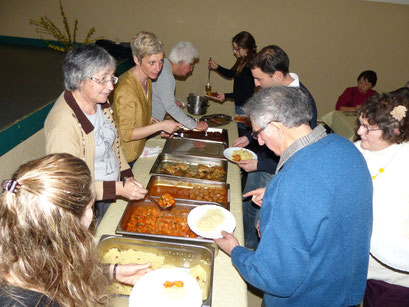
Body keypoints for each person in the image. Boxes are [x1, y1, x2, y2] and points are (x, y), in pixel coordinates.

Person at [215, 86, 373, 306]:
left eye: (258, 133)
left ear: (277, 127)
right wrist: (273, 198)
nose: (259, 142)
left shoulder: (291, 185)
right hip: (343, 291)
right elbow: (330, 200)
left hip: (304, 298)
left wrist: (235, 250)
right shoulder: (345, 147)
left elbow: (273, 277)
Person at [0, 153, 152, 306]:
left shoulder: (29, 248)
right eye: (90, 207)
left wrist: (112, 272)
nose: (92, 214)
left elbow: (52, 270)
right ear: (71, 225)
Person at [44, 44, 147, 222]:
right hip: (85, 204)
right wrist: (118, 189)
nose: (110, 87)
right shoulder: (62, 125)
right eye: (102, 79)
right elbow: (68, 185)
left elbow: (112, 145)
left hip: (110, 190)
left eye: (111, 78)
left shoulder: (100, 101)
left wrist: (127, 176)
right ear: (78, 80)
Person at [234, 44, 318, 249]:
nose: (255, 83)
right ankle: (245, 239)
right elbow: (264, 122)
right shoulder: (276, 90)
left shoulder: (302, 101)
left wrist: (260, 164)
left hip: (274, 168)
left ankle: (252, 248)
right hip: (261, 159)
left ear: (278, 75)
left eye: (260, 79)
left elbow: (298, 155)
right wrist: (250, 138)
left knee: (260, 213)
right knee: (247, 202)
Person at [354, 90, 409, 306]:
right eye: (360, 123)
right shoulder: (361, 148)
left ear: (394, 130)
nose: (359, 131)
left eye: (368, 128)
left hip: (395, 275)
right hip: (364, 265)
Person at [112, 31, 182, 166]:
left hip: (137, 150)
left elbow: (140, 113)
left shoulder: (147, 79)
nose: (158, 68)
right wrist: (160, 125)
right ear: (136, 59)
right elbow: (127, 134)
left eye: (161, 61)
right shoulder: (126, 90)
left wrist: (160, 127)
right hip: (125, 158)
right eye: (151, 62)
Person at [152, 41, 208, 131]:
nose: (191, 70)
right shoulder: (167, 75)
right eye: (191, 65)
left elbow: (159, 91)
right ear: (181, 62)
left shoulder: (164, 64)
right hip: (152, 122)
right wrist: (194, 124)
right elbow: (170, 107)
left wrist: (173, 100)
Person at [208, 31, 256, 117]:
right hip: (240, 106)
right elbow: (232, 74)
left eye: (237, 49)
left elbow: (245, 94)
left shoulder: (249, 67)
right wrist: (217, 67)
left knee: (242, 130)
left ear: (247, 49)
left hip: (245, 108)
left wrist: (226, 96)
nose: (234, 51)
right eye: (234, 48)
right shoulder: (242, 60)